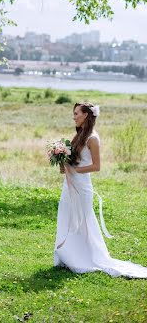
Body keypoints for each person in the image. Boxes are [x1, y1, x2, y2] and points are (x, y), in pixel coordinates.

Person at [54, 101, 147, 277]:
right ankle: (66, 255)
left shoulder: (93, 138)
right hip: (69, 184)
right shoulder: (80, 135)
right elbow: (75, 159)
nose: (73, 117)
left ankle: (84, 258)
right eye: (73, 113)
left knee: (82, 221)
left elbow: (96, 166)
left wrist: (74, 170)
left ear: (86, 115)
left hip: (82, 186)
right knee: (66, 215)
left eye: (76, 113)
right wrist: (63, 162)